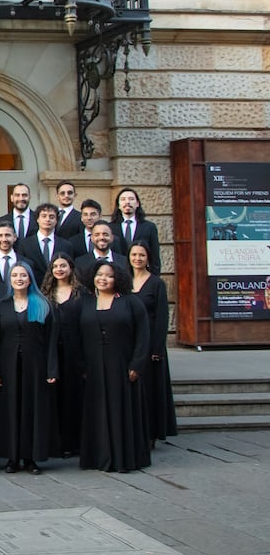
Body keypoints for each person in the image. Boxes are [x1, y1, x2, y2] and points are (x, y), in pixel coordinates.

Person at [79, 261, 151, 472]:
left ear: (117, 279)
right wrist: (81, 365)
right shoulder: (85, 302)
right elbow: (76, 336)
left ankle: (124, 458)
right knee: (97, 412)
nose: (103, 279)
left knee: (122, 411)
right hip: (94, 368)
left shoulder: (131, 302)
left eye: (108, 276)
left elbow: (143, 336)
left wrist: (137, 364)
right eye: (99, 275)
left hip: (122, 366)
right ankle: (98, 457)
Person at [0, 261, 58, 474]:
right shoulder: (1, 306)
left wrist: (51, 369)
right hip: (8, 367)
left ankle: (31, 458)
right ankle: (12, 457)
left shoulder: (42, 304)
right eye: (15, 276)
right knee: (11, 411)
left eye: (23, 275)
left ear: (30, 279)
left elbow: (51, 341)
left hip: (35, 366)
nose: (19, 279)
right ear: (9, 280)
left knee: (32, 410)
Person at [129, 242, 177, 443]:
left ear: (148, 258)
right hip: (130, 342)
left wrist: (157, 348)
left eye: (142, 255)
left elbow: (162, 317)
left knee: (150, 389)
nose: (138, 259)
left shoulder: (156, 283)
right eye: (134, 255)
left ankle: (150, 434)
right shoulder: (124, 281)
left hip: (151, 344)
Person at [41, 252, 85, 458]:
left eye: (63, 266)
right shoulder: (45, 295)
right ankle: (55, 443)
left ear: (70, 269)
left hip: (75, 351)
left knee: (74, 396)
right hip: (53, 351)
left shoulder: (81, 294)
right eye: (56, 266)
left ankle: (74, 442)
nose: (59, 269)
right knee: (54, 397)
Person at [111, 188, 161, 274]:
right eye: (123, 199)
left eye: (131, 199)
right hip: (118, 276)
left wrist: (154, 279)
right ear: (118, 205)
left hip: (142, 275)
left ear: (137, 203)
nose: (127, 202)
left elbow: (155, 256)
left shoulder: (149, 227)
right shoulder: (110, 228)